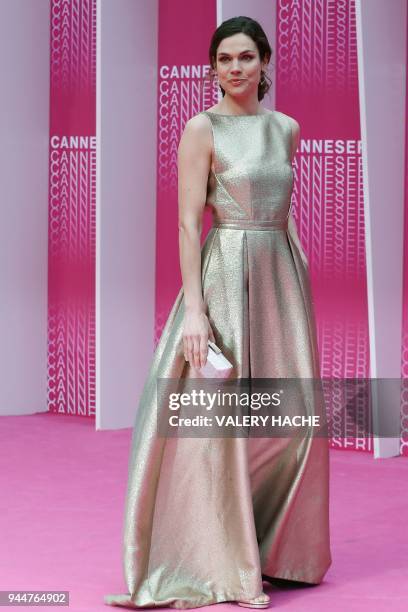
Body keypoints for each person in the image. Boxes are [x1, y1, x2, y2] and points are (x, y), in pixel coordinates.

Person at [104, 15, 332, 610]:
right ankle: (228, 566)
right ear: (212, 69)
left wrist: (296, 274)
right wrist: (196, 314)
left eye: (246, 57)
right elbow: (186, 223)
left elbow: (281, 207)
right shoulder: (201, 128)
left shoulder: (286, 128)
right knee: (220, 422)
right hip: (225, 272)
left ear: (264, 63)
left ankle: (277, 551)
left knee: (293, 420)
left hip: (281, 274)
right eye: (225, 59)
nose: (235, 68)